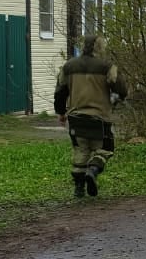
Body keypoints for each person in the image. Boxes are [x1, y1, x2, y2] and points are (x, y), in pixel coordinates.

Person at [54, 34, 128, 198]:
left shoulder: (69, 66)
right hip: (99, 117)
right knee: (105, 149)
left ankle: (78, 188)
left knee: (81, 151)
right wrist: (116, 99)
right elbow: (121, 89)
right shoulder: (107, 67)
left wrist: (61, 112)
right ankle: (93, 171)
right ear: (100, 47)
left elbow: (60, 91)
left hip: (76, 117)